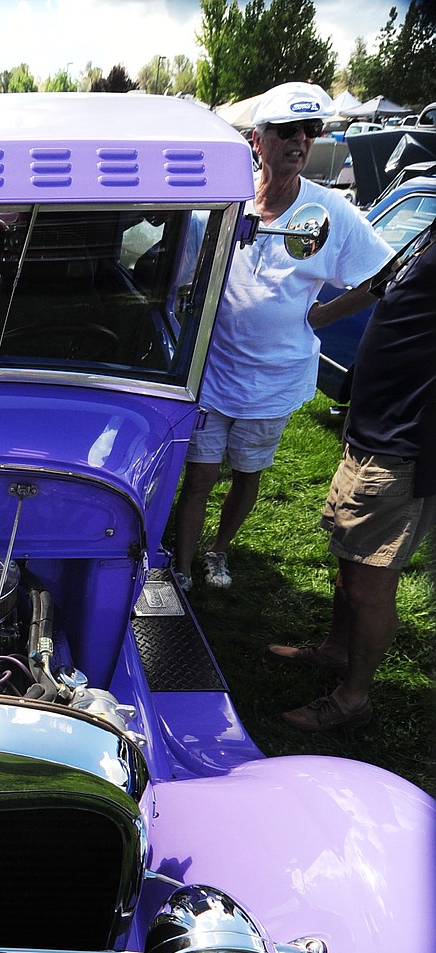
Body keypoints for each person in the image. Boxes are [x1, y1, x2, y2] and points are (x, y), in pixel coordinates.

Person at [171, 82, 394, 592]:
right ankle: (181, 568)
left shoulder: (330, 213)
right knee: (200, 476)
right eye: (286, 131)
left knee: (247, 473)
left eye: (309, 132)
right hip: (213, 369)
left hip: (273, 381)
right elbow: (185, 273)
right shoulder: (226, 202)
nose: (299, 141)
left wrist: (319, 316)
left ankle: (218, 551)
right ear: (258, 140)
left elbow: (383, 276)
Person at [267, 221, 436, 731]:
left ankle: (352, 701)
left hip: (405, 444)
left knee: (370, 582)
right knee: (349, 558)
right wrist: (315, 317)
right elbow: (381, 286)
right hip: (373, 430)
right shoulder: (428, 232)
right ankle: (337, 651)